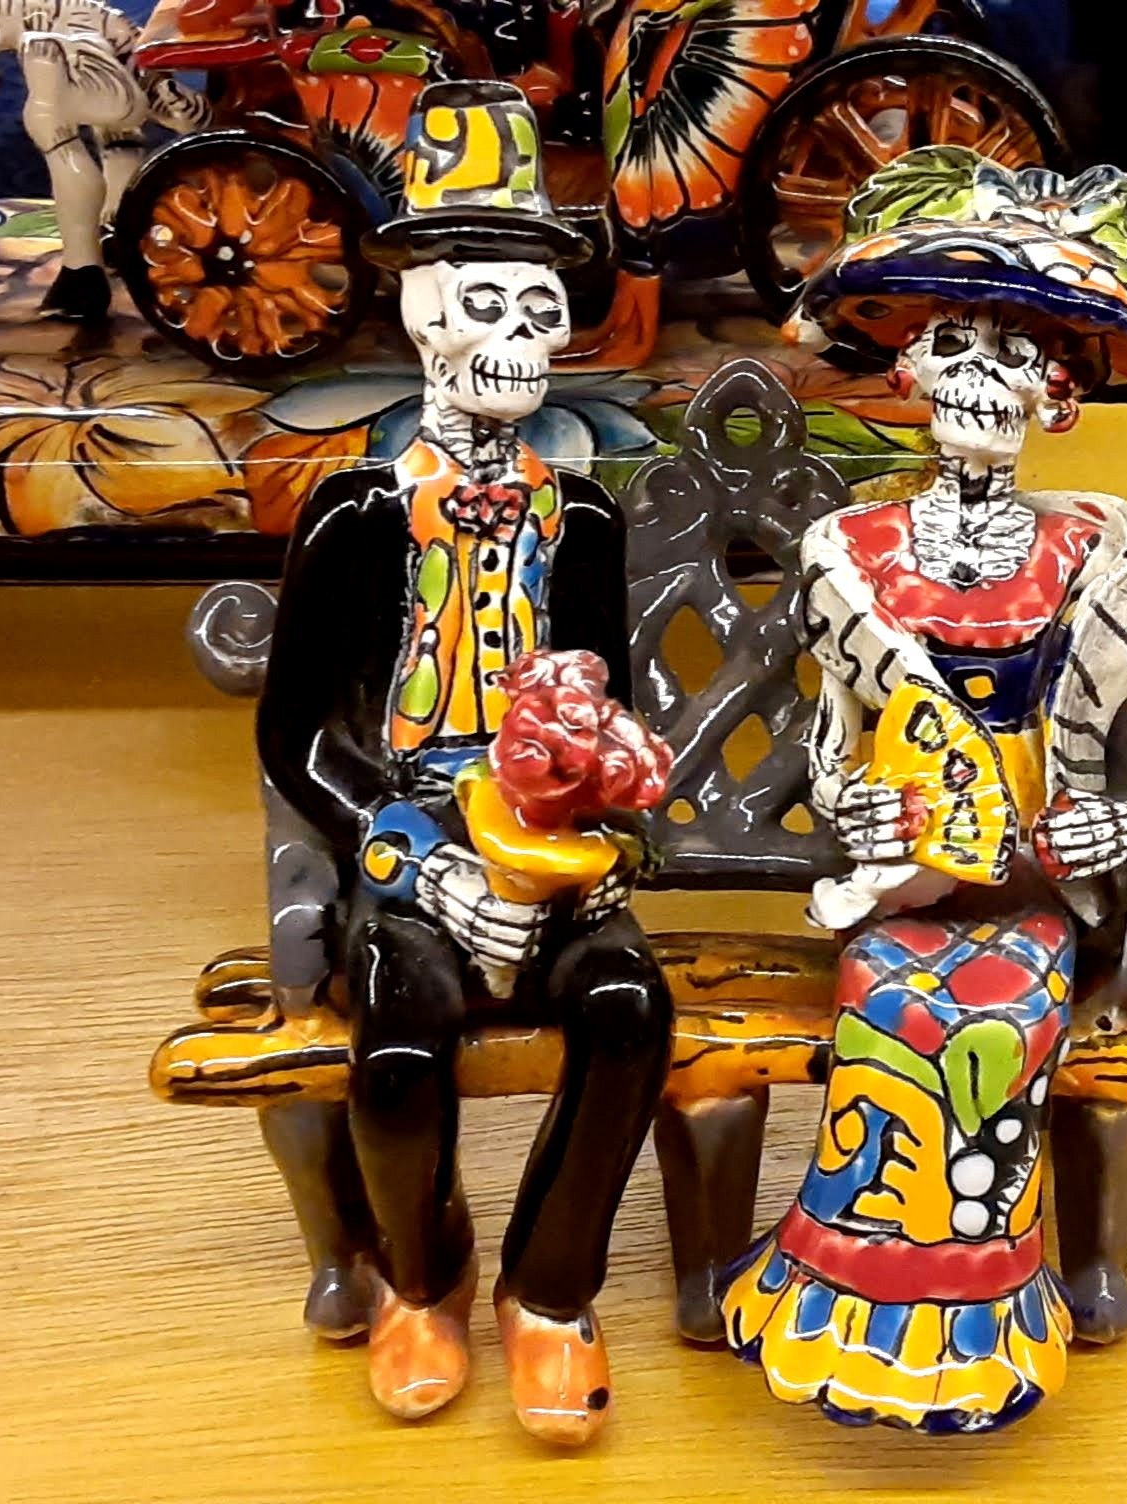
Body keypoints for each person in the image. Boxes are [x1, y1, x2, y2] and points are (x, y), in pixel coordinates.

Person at [721, 145, 1127, 1432]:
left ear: (1056, 394)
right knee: (885, 992)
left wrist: (1110, 820)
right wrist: (851, 805)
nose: (977, 373)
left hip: (1032, 870)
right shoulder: (847, 550)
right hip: (905, 872)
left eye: (1013, 350)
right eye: (953, 342)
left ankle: (983, 1305)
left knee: (1004, 1013)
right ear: (908, 371)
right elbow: (833, 743)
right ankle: (842, 1292)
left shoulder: (1098, 548)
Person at [257, 80, 670, 1447]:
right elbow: (297, 736)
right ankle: (418, 1271)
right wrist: (423, 866)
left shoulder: (586, 519)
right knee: (392, 1048)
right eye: (483, 304)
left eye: (539, 308)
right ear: (420, 312)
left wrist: (599, 837)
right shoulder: (353, 517)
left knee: (627, 1012)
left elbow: (611, 707)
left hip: (549, 843)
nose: (518, 338)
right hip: (413, 839)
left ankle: (549, 1289)